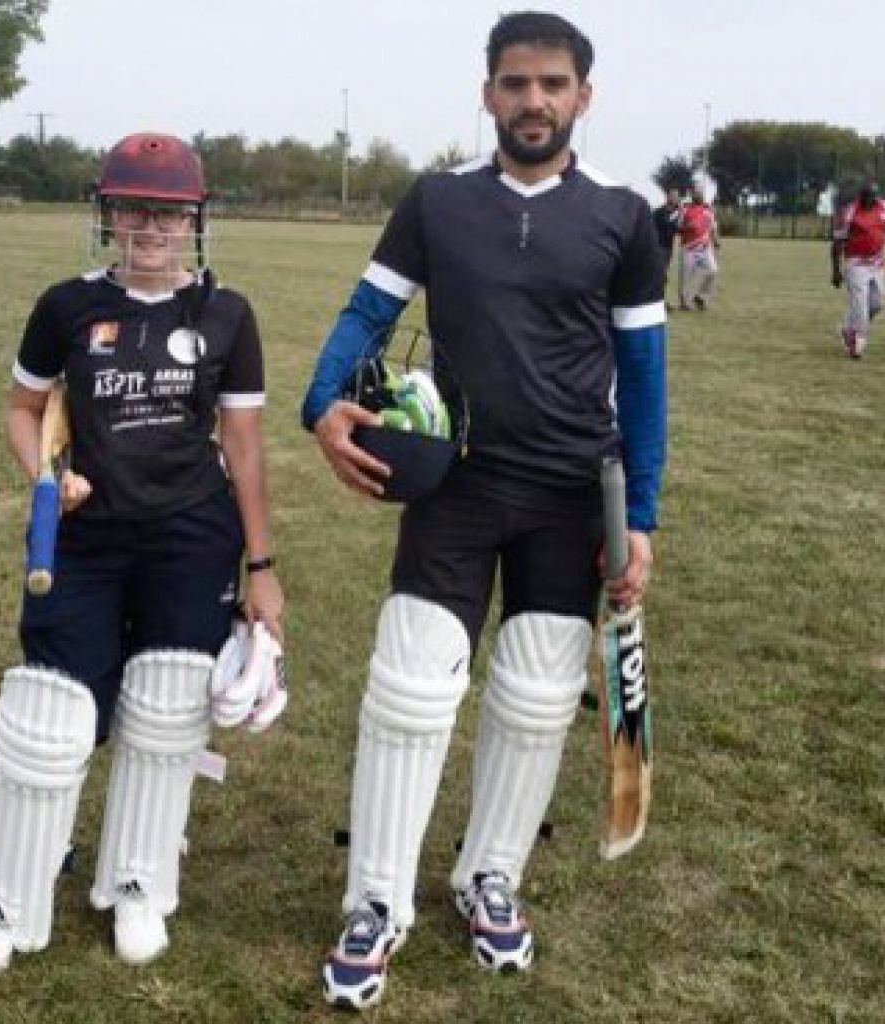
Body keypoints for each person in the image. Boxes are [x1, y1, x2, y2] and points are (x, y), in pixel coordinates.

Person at [301, 11, 667, 1011]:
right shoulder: (436, 202)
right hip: (454, 482)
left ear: (582, 96)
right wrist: (316, 406)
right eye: (515, 83)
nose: (533, 100)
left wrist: (638, 515)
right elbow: (366, 313)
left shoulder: (625, 219)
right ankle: (373, 903)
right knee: (410, 687)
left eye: (552, 83)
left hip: (567, 493)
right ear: (487, 92)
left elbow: (642, 376)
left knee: (537, 697)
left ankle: (487, 875)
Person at [0, 132, 284, 983]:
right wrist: (44, 480)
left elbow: (242, 445)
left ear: (194, 220)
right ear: (106, 213)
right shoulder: (65, 305)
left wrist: (261, 564)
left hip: (191, 534)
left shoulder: (225, 314)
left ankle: (139, 879)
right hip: (86, 537)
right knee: (51, 711)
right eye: (132, 208)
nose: (149, 225)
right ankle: (6, 901)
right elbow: (24, 410)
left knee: (167, 709)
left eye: (168, 211)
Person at [831, 180, 885, 359]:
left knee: (877, 303)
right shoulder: (849, 212)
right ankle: (856, 345)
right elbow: (838, 243)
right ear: (860, 196)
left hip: (877, 263)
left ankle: (848, 329)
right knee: (860, 306)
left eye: (872, 197)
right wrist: (836, 270)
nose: (868, 200)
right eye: (865, 197)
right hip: (855, 263)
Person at [676, 182, 719, 310]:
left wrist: (716, 239)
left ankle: (700, 296)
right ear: (692, 194)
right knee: (686, 278)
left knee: (713, 271)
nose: (699, 194)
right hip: (688, 248)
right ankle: (684, 303)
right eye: (696, 191)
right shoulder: (685, 209)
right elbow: (677, 228)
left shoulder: (708, 209)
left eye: (700, 191)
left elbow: (713, 225)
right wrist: (687, 227)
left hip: (705, 247)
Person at [652, 187, 683, 306]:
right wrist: (679, 214)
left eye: (677, 196)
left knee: (663, 275)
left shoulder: (674, 213)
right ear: (668, 197)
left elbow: (677, 229)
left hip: (668, 248)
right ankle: (658, 301)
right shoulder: (659, 212)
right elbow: (669, 225)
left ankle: (660, 300)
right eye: (674, 196)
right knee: (660, 275)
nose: (676, 199)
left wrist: (680, 215)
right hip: (658, 248)